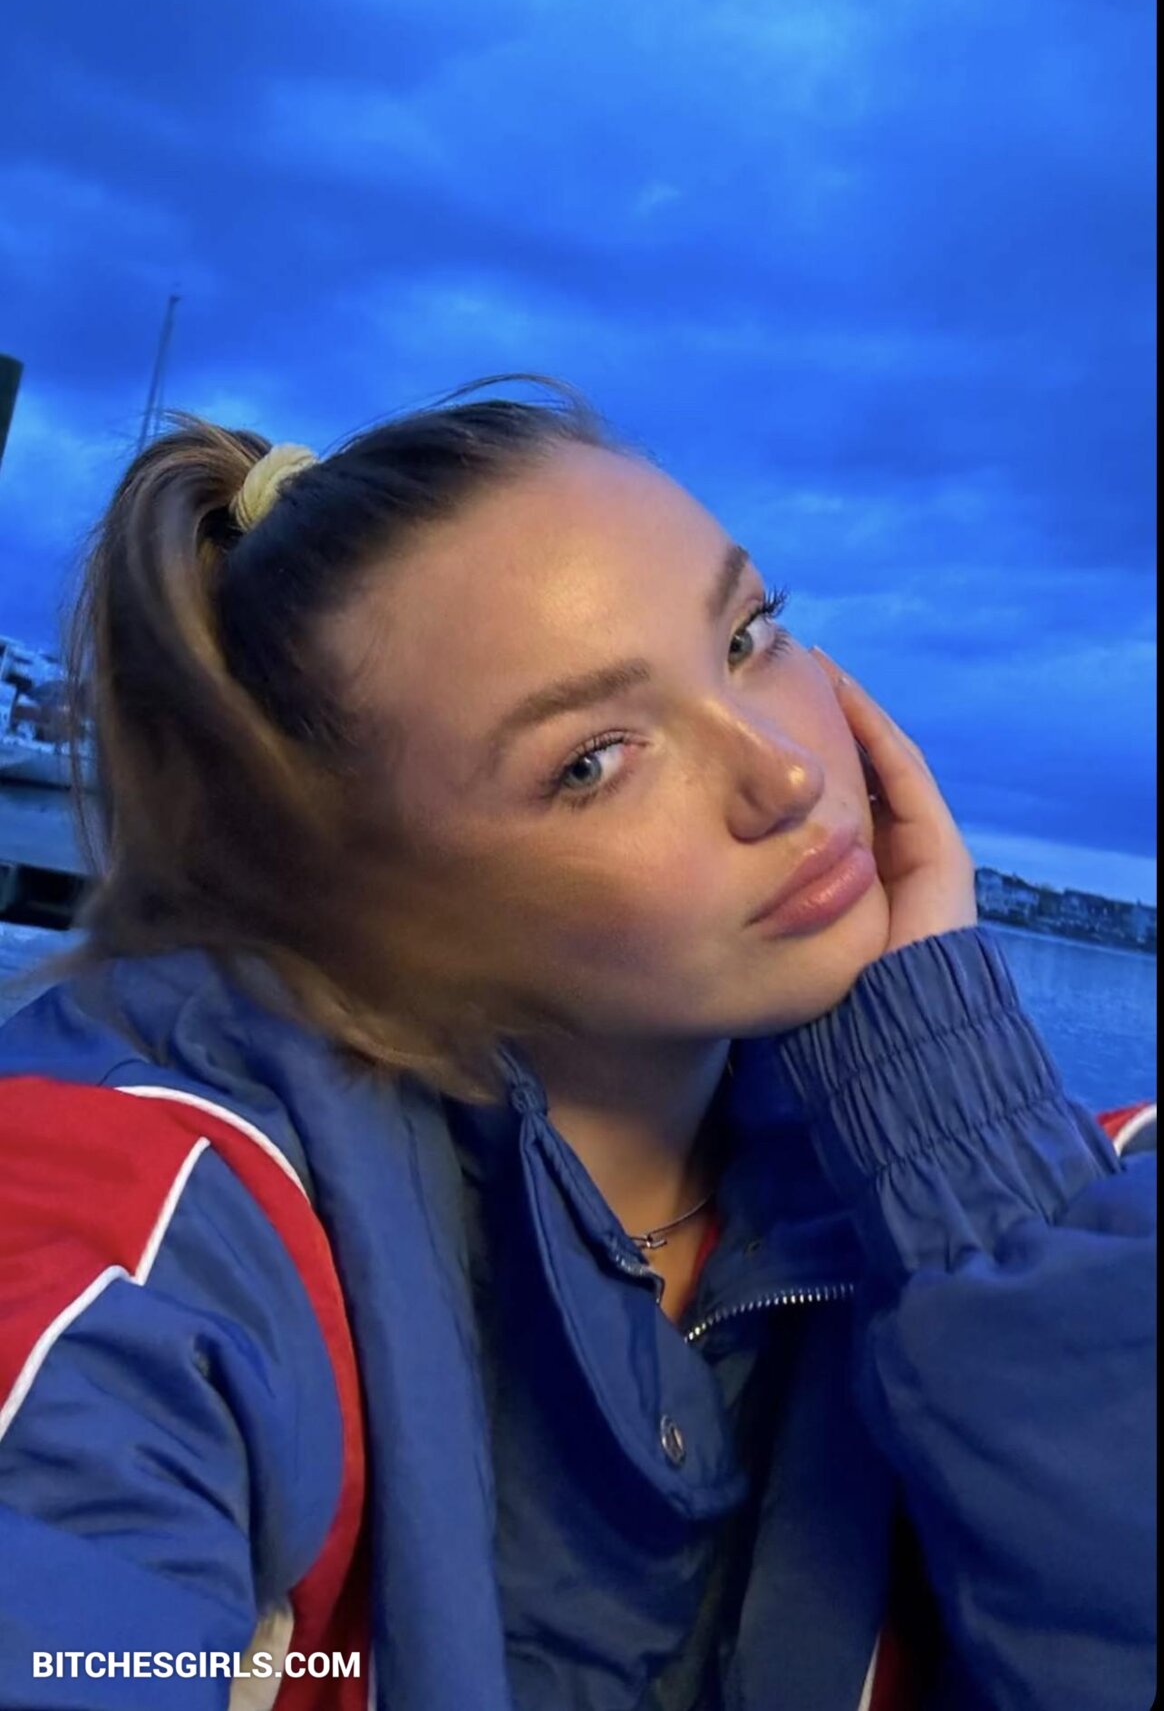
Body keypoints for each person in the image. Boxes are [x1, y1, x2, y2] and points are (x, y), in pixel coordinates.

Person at [0, 378, 1155, 1711]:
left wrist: (974, 1176)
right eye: (593, 760)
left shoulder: (1098, 1189)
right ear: (356, 893)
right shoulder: (163, 1222)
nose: (785, 775)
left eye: (747, 636)